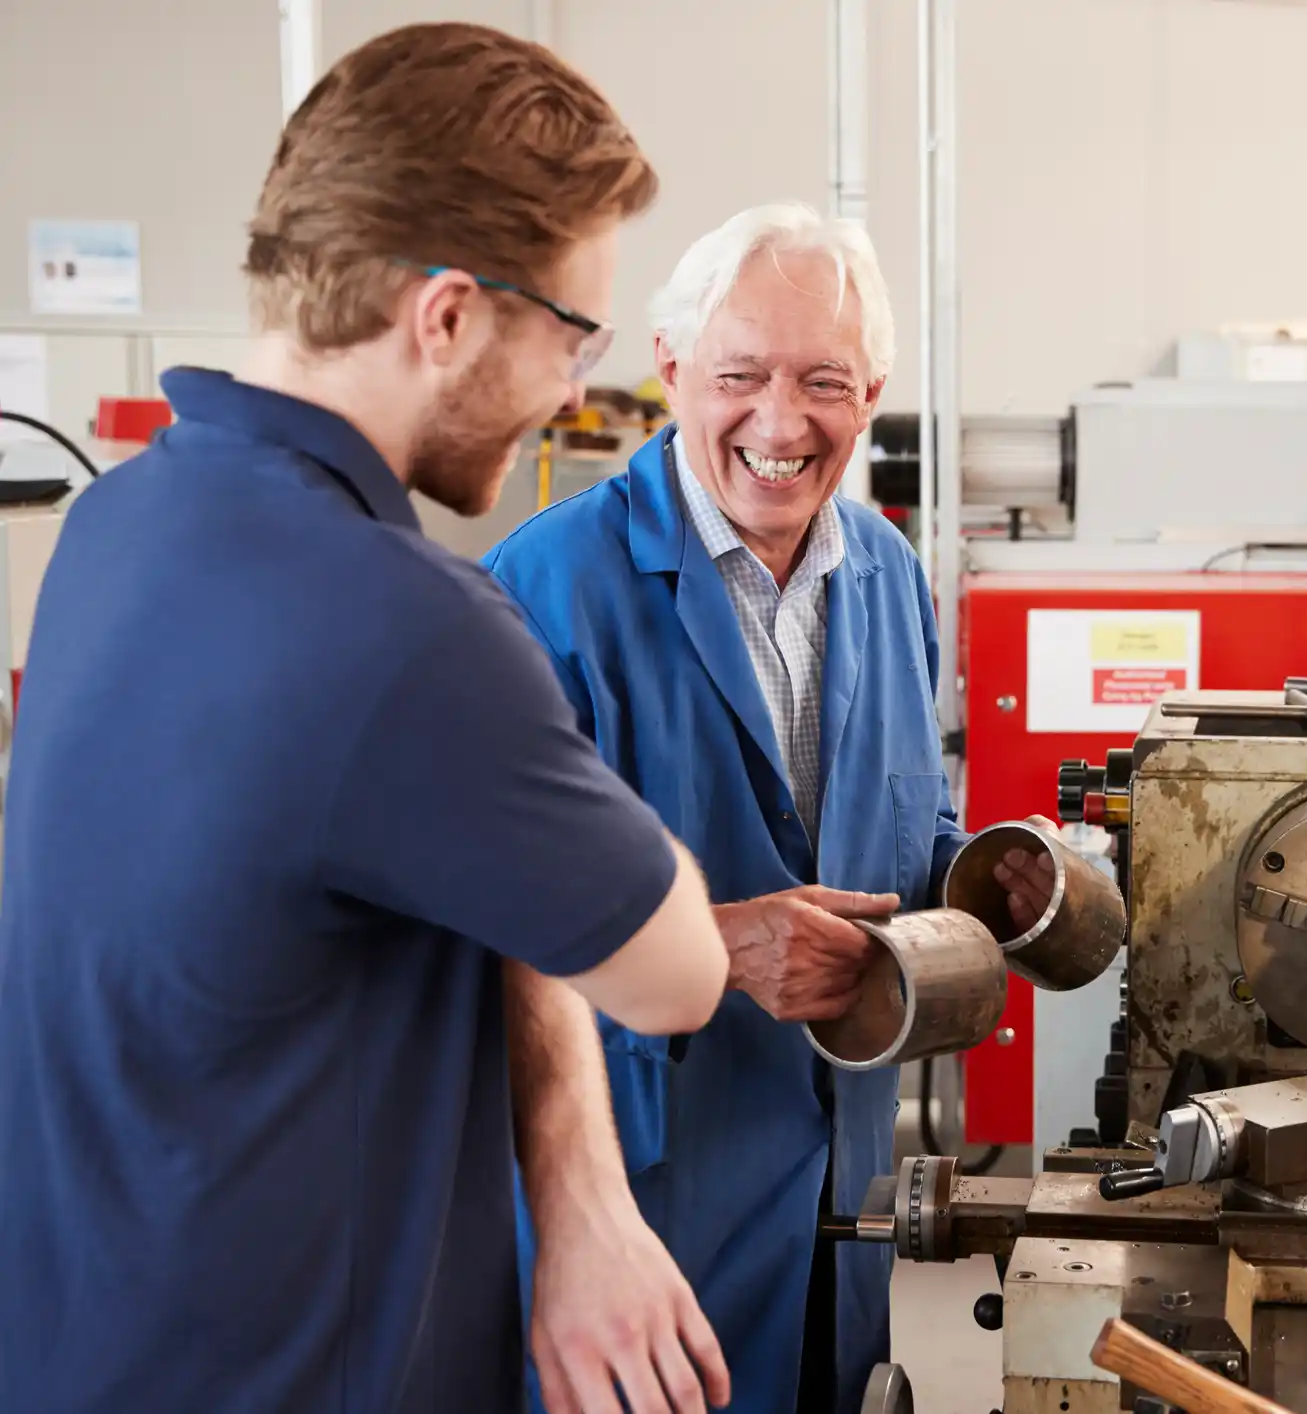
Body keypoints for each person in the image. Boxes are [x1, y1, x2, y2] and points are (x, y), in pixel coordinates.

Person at [0, 24, 736, 1414]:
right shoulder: (408, 629)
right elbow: (675, 972)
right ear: (447, 314)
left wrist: (572, 1191)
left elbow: (444, 875)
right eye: (571, 330)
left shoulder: (117, 524)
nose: (578, 390)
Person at [483, 205, 1058, 1414]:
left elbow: (901, 836)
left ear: (874, 390)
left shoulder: (889, 573)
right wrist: (714, 948)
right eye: (740, 375)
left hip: (840, 1219)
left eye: (826, 383)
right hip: (642, 1223)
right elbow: (477, 943)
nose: (781, 423)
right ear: (672, 367)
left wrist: (987, 875)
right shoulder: (544, 589)